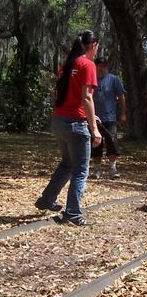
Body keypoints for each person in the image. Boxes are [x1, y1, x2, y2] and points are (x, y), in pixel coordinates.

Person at [35, 30, 102, 226]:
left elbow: (70, 96)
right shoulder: (87, 64)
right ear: (93, 45)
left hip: (59, 120)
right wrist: (94, 129)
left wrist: (90, 115)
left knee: (66, 164)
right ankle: (73, 213)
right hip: (76, 125)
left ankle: (47, 199)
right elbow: (87, 97)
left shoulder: (67, 65)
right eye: (97, 47)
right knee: (81, 170)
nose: (97, 51)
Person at [92, 57, 127, 179]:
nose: (100, 68)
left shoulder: (114, 79)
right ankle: (97, 170)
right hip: (94, 118)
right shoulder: (92, 79)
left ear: (106, 67)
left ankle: (113, 168)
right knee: (96, 143)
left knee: (111, 142)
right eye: (98, 66)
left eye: (103, 66)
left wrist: (123, 113)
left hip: (110, 118)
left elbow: (121, 97)